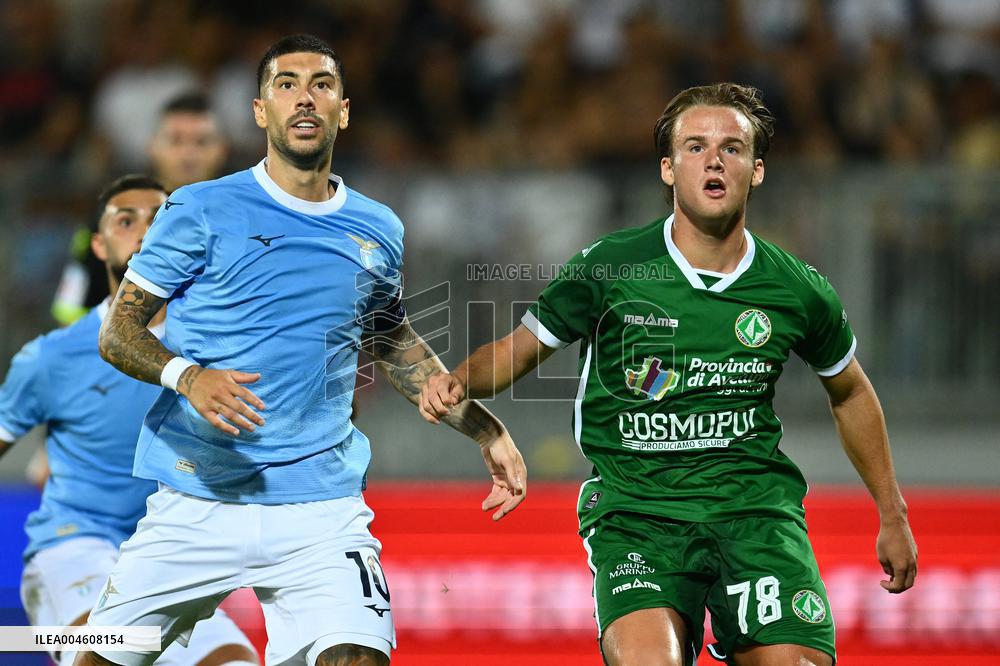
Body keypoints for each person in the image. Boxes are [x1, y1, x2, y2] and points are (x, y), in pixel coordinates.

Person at [420, 83, 917, 665]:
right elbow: (519, 350)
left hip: (754, 514)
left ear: (756, 172)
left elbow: (850, 389)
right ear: (667, 167)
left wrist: (892, 512)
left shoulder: (797, 289)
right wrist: (460, 378)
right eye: (695, 146)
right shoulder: (610, 266)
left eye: (732, 148)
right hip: (639, 516)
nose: (714, 159)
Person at [77, 34, 526, 666]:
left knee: (358, 657)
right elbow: (118, 332)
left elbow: (390, 338)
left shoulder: (379, 228)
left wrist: (483, 428)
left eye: (321, 84)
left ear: (344, 108)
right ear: (260, 110)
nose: (304, 98)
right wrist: (189, 377)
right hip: (197, 499)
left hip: (320, 507)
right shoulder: (201, 209)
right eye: (285, 84)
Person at [0, 175, 259, 666]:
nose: (143, 231)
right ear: (98, 245)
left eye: (158, 220)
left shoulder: (216, 351)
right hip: (74, 546)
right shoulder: (51, 357)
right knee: (107, 650)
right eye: (125, 221)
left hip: (169, 554)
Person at [51, 91, 228, 326]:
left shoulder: (250, 219)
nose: (188, 154)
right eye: (175, 140)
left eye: (201, 141)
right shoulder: (108, 221)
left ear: (223, 149)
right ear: (152, 147)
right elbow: (70, 310)